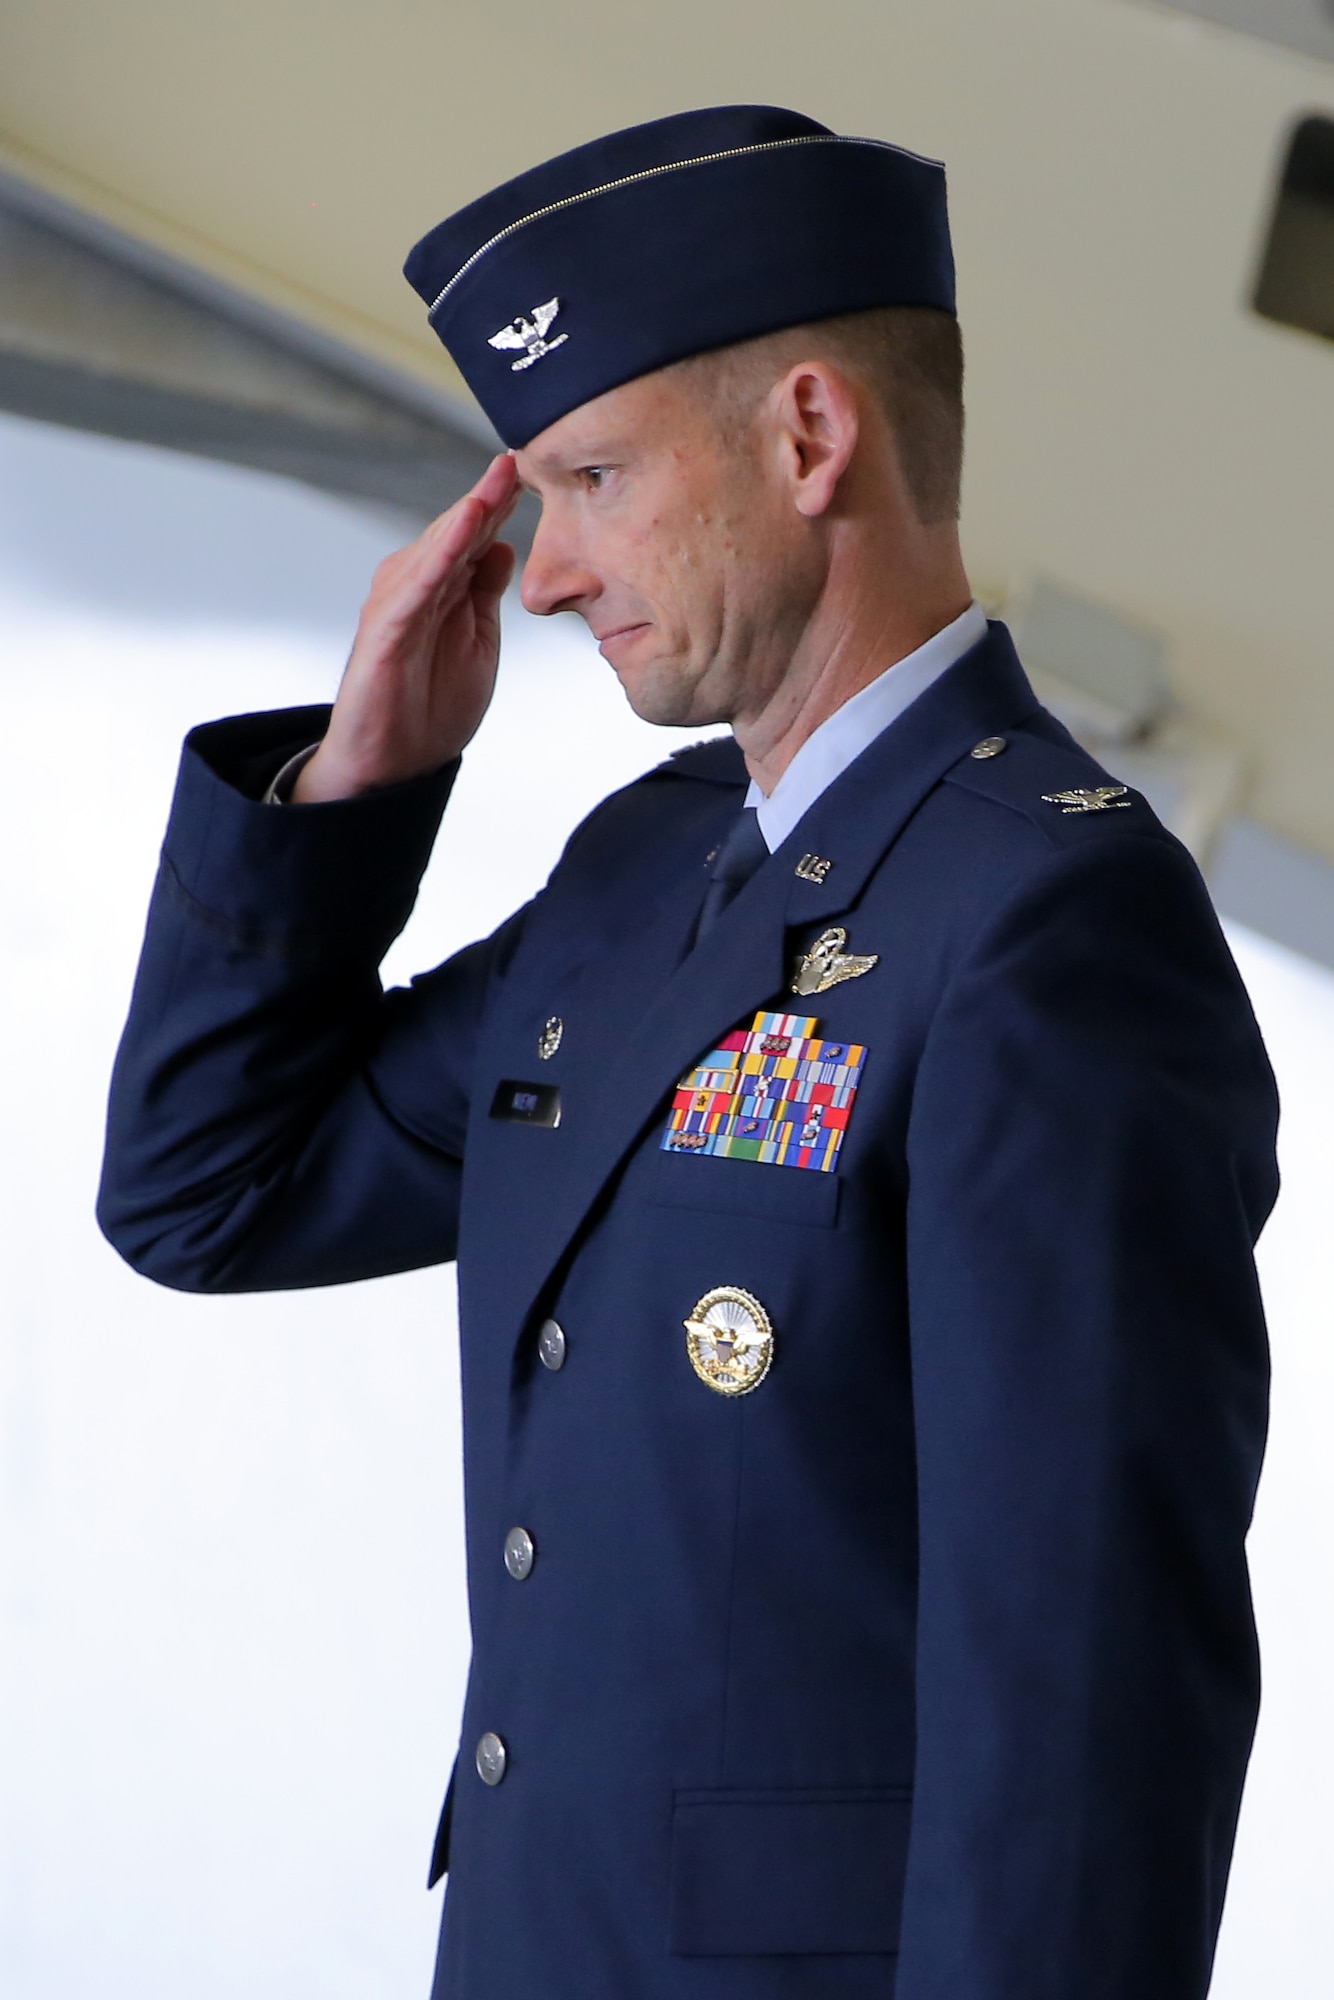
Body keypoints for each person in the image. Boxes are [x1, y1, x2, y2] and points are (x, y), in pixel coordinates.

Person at [98, 104, 1279, 2000]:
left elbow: (1080, 1723)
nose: (546, 574)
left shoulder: (1052, 928)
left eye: (588, 480)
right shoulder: (649, 869)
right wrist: (352, 784)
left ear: (808, 437)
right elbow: (207, 1192)